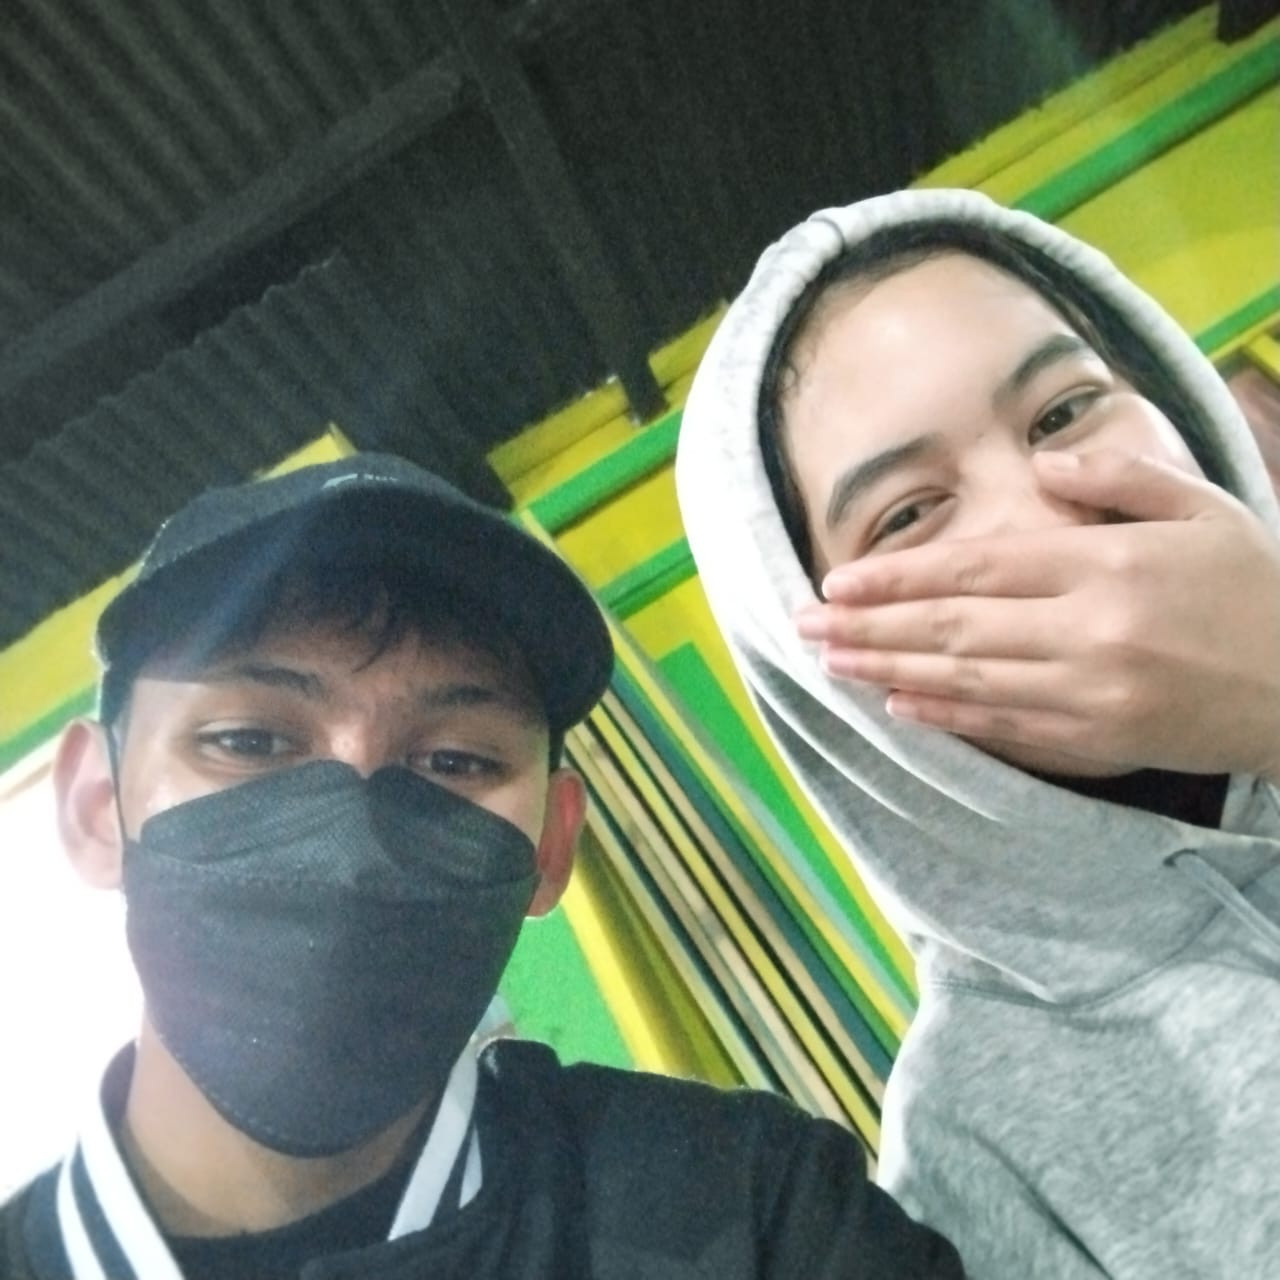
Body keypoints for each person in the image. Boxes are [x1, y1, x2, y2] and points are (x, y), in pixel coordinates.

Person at [0, 453, 963, 1279]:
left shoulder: (754, 1204)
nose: (354, 847)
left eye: (454, 761)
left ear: (552, 845)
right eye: (249, 741)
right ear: (94, 806)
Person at [675, 189, 1280, 1278]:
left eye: (1062, 412)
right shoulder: (967, 1154)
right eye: (907, 513)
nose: (1044, 514)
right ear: (833, 677)